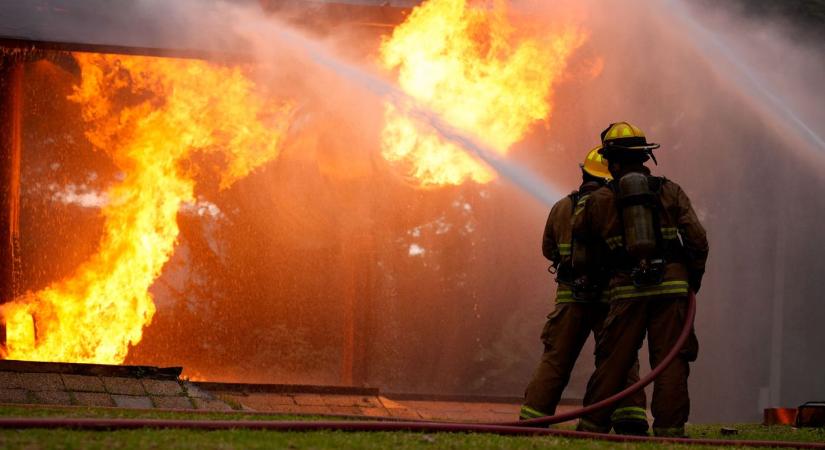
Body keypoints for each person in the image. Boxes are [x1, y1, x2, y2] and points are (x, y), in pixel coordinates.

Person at [574, 122, 708, 437]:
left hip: (627, 288)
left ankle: (591, 427)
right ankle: (669, 432)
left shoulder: (598, 200)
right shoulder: (670, 190)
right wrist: (692, 278)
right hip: (673, 286)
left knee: (613, 359)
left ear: (611, 161)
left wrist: (600, 278)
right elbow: (697, 239)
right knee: (671, 360)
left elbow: (583, 251)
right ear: (645, 156)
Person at [520, 147, 648, 435]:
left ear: (584, 173)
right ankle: (631, 419)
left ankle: (533, 419)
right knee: (619, 357)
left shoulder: (562, 207)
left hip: (570, 298)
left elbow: (547, 249)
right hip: (609, 299)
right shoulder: (616, 205)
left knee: (556, 360)